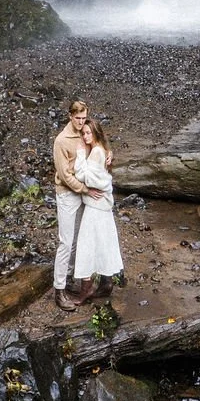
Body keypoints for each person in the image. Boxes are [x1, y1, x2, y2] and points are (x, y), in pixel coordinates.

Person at [52, 98, 103, 311]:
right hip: (68, 194)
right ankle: (59, 290)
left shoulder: (85, 133)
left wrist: (108, 155)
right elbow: (64, 175)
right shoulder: (61, 141)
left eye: (84, 118)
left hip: (84, 192)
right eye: (78, 118)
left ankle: (72, 279)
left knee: (79, 239)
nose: (82, 122)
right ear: (70, 116)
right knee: (66, 242)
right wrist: (84, 189)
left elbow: (99, 145)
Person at [70, 118, 124, 301]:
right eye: (83, 133)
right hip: (102, 206)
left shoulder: (96, 152)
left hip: (96, 206)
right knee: (103, 241)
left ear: (96, 133)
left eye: (88, 133)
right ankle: (106, 283)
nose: (85, 137)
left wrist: (79, 157)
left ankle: (86, 289)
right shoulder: (101, 149)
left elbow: (85, 176)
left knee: (87, 244)